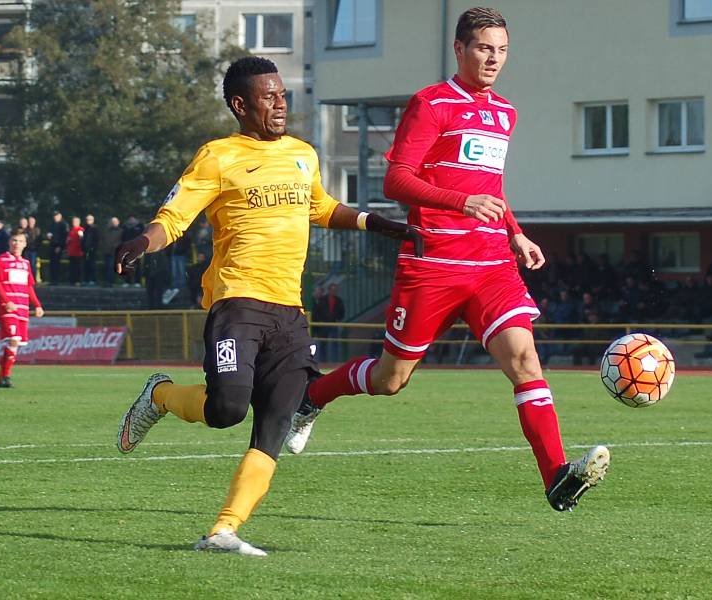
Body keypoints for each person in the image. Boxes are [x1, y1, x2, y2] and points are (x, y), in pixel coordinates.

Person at [285, 7, 609, 513]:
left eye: (501, 50)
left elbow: (490, 188)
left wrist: (515, 233)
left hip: (491, 264)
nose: (493, 58)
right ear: (459, 49)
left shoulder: (505, 112)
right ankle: (313, 397)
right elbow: (396, 180)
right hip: (432, 263)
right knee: (391, 380)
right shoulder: (430, 103)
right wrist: (460, 204)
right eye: (484, 48)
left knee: (525, 361)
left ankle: (556, 477)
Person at [113, 56, 423, 555]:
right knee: (227, 409)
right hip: (237, 303)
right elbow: (174, 217)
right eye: (269, 96)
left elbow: (319, 206)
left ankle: (223, 530)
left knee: (275, 422)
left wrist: (374, 222)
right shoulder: (217, 156)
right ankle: (161, 396)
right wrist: (142, 242)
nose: (281, 103)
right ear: (240, 105)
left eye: (283, 95)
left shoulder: (302, 153)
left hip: (290, 313)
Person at [0, 230, 44, 388]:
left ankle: (3, 378)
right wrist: (6, 301)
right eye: (14, 240)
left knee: (15, 345)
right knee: (13, 339)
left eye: (20, 241)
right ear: (9, 242)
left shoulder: (26, 263)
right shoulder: (1, 260)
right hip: (8, 308)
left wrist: (37, 305)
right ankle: (4, 377)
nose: (16, 243)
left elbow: (29, 286)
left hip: (22, 308)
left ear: (25, 244)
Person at [313, 282, 345, 362]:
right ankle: (323, 362)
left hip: (333, 324)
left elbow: (342, 312)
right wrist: (320, 321)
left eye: (335, 290)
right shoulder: (322, 300)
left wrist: (338, 319)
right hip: (324, 324)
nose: (333, 291)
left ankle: (334, 362)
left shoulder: (339, 301)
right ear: (329, 290)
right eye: (332, 290)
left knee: (334, 344)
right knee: (323, 344)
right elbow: (316, 311)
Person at [99, 216, 123, 286]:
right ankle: (106, 281)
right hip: (106, 251)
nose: (113, 223)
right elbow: (102, 240)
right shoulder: (106, 231)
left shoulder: (121, 231)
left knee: (110, 267)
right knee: (106, 267)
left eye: (115, 222)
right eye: (112, 222)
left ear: (118, 222)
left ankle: (110, 282)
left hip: (115, 252)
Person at [46, 211, 68, 285]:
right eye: (54, 216)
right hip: (52, 245)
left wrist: (60, 246)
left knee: (56, 264)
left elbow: (64, 236)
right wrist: (48, 236)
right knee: (52, 263)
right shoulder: (52, 224)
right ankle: (52, 280)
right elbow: (49, 233)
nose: (55, 217)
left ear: (60, 216)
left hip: (58, 246)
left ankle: (56, 280)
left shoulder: (63, 225)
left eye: (56, 216)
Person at [81, 214, 99, 285]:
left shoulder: (95, 228)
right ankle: (86, 280)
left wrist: (93, 248)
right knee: (86, 265)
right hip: (85, 250)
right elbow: (83, 240)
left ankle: (92, 280)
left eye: (90, 219)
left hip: (91, 250)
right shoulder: (85, 228)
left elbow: (97, 240)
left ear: (93, 220)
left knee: (92, 265)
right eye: (87, 219)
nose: (88, 221)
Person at [66, 216, 84, 286]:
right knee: (71, 267)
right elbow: (68, 240)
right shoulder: (71, 230)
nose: (74, 223)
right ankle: (72, 281)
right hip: (71, 252)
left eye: (76, 221)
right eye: (73, 221)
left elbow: (83, 240)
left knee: (78, 268)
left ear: (79, 222)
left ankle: (78, 281)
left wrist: (81, 237)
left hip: (78, 252)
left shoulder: (81, 230)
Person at [23, 216, 41, 281]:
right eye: (30, 221)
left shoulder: (37, 230)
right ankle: (26, 279)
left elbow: (39, 240)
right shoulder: (25, 230)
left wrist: (36, 247)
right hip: (26, 250)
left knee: (33, 265)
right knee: (26, 265)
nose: (31, 223)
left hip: (34, 250)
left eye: (32, 221)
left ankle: (33, 279)